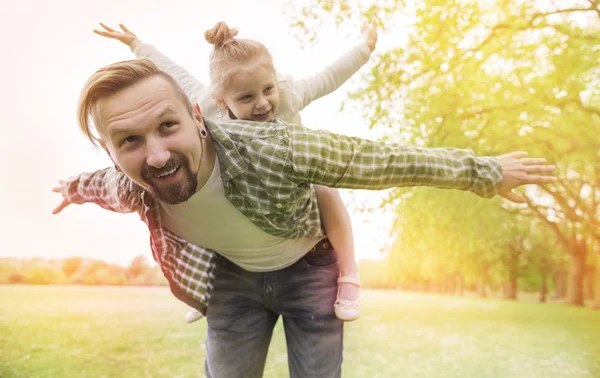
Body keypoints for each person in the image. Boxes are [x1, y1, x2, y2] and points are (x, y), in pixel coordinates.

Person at [53, 58, 556, 378]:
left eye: (168, 126)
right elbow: (94, 184)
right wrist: (70, 189)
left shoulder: (275, 149)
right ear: (111, 150)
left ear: (197, 117)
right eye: (130, 142)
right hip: (232, 281)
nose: (158, 156)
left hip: (310, 271)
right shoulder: (127, 184)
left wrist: (483, 172)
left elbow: (383, 160)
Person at [93, 20, 378, 322]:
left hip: (290, 180)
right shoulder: (206, 103)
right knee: (204, 199)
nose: (262, 103)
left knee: (325, 187)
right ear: (221, 99)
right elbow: (173, 73)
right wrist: (137, 44)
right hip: (243, 182)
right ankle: (206, 290)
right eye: (246, 97)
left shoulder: (289, 95)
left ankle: (349, 275)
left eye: (267, 89)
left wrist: (365, 47)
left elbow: (329, 76)